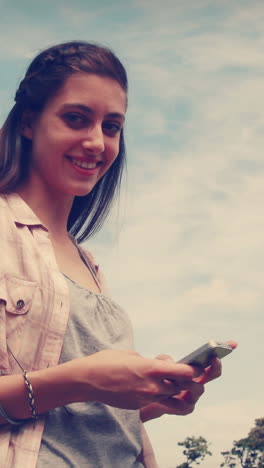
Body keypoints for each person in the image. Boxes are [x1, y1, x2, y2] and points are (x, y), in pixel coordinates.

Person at [0, 41, 237, 468]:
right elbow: (68, 390)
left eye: (111, 126)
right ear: (30, 122)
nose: (96, 142)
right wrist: (84, 377)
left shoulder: (89, 264)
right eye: (76, 118)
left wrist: (149, 398)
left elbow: (72, 418)